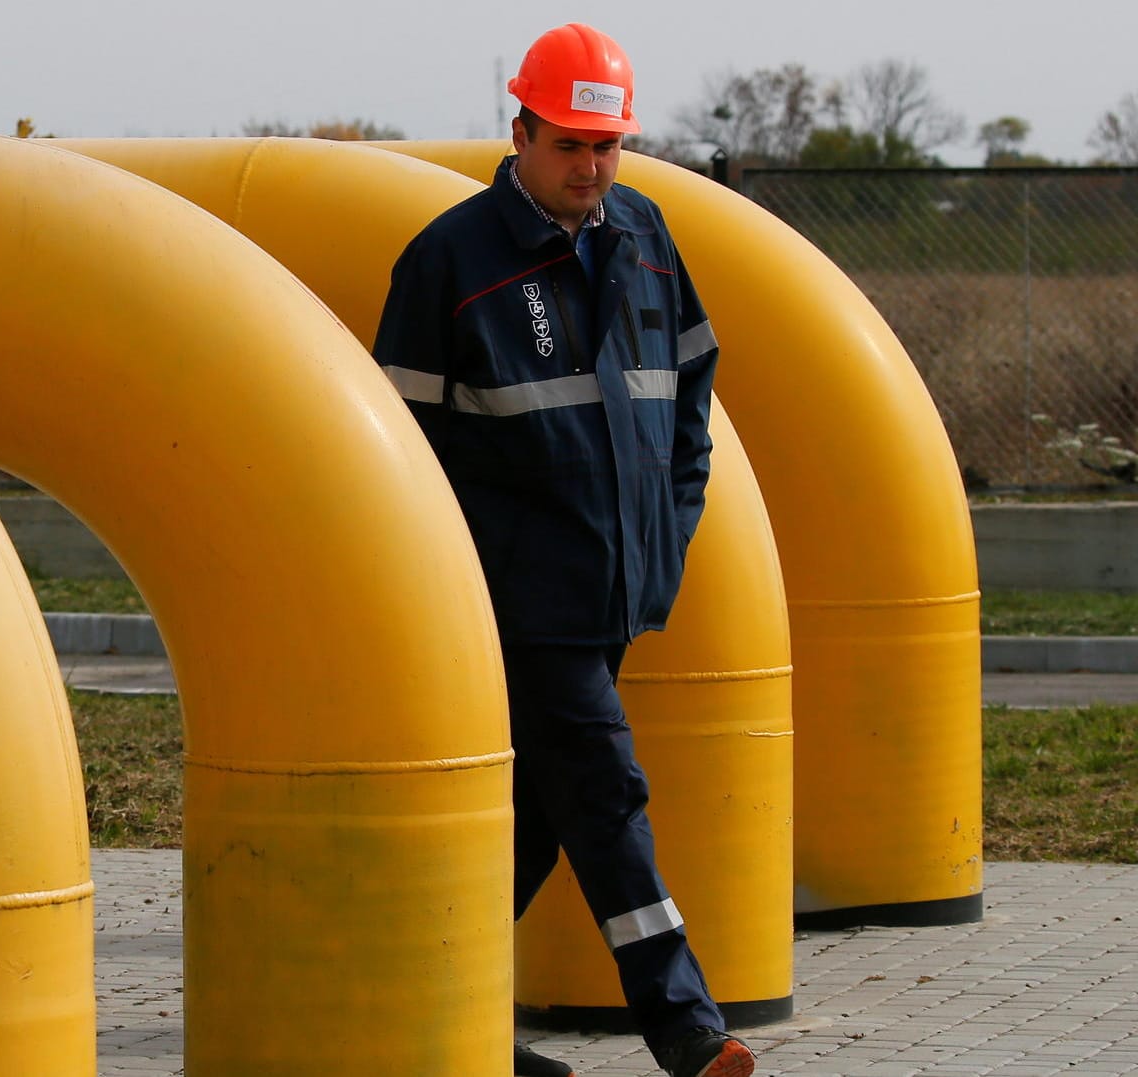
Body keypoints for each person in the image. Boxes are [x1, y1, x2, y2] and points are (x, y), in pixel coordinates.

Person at [372, 22, 757, 1077]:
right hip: (519, 597)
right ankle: (684, 1025)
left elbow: (690, 393)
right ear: (523, 132)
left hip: (618, 583)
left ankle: (419, 1014)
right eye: (571, 144)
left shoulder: (644, 236)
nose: (591, 167)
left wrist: (669, 529)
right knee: (604, 790)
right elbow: (400, 452)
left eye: (608, 146)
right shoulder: (452, 259)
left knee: (542, 818)